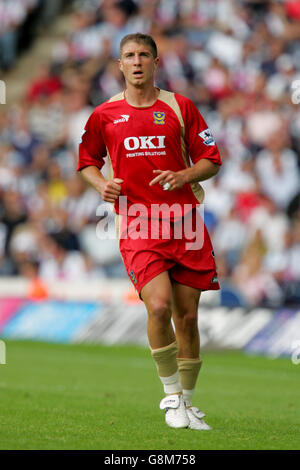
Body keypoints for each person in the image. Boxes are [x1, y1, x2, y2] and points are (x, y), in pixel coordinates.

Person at [77, 33, 222, 430]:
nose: (137, 61)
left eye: (144, 55)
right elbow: (87, 161)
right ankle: (171, 395)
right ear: (119, 65)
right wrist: (100, 183)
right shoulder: (104, 114)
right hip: (138, 224)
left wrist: (184, 174)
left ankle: (188, 403)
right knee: (158, 306)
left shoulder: (180, 106)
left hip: (187, 224)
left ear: (157, 63)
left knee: (187, 318)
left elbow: (211, 159)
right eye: (129, 55)